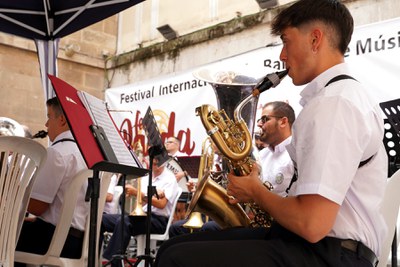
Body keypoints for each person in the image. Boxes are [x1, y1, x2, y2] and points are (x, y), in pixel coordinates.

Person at [154, 1, 388, 266]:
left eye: (286, 42)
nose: (282, 56)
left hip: (331, 254)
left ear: (315, 39)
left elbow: (312, 223)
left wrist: (256, 192)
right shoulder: (338, 97)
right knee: (174, 247)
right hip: (322, 248)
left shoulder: (334, 103)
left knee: (175, 256)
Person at [15, 97, 88, 265]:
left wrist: (14, 189)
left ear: (61, 119)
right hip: (78, 241)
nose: (46, 125)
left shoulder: (57, 152)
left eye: (49, 117)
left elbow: (37, 207)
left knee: (6, 232)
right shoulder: (83, 153)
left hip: (55, 241)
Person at [101, 155, 179, 266]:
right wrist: (140, 195)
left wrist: (138, 193)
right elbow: (142, 202)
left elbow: (161, 204)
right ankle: (93, 255)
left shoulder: (170, 178)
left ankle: (114, 262)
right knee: (102, 219)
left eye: (157, 160)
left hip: (159, 220)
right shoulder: (146, 177)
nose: (154, 162)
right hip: (143, 216)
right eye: (152, 159)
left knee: (124, 221)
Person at [257, 101, 295, 196]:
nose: (259, 124)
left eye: (264, 119)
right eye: (260, 120)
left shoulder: (297, 155)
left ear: (283, 122)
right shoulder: (261, 155)